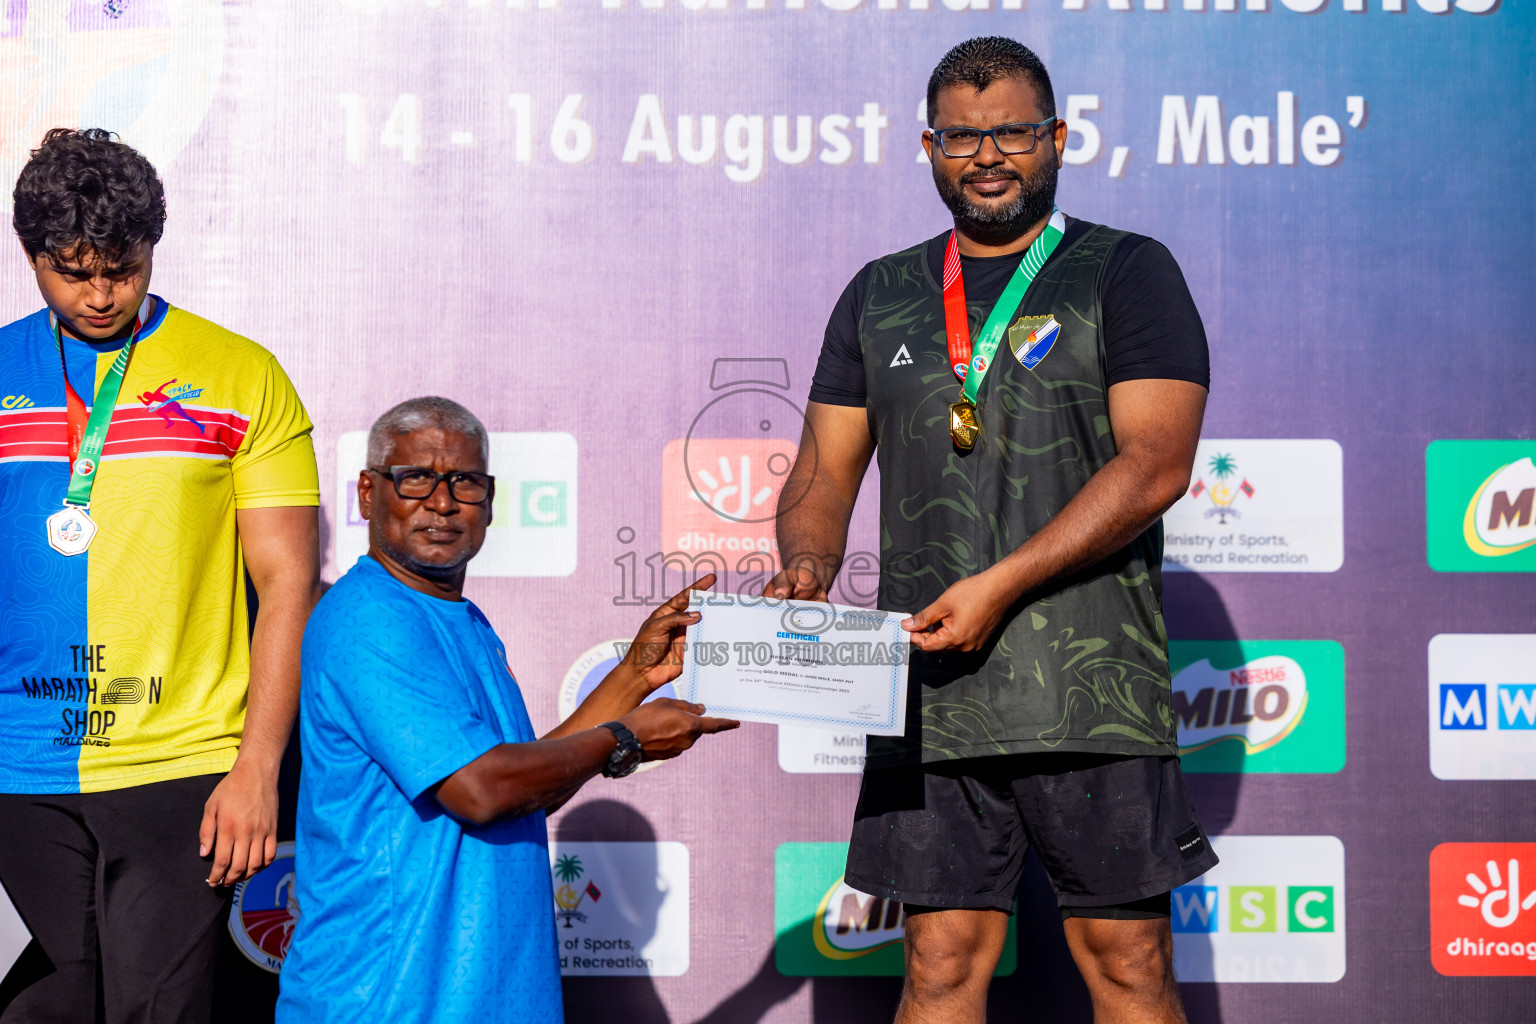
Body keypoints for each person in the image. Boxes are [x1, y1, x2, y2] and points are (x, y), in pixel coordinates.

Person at [768, 37, 1217, 1024]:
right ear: (929, 147)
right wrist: (805, 566)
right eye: (963, 136)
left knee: (1128, 966)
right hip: (931, 690)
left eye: (1011, 131)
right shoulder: (880, 290)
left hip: (1090, 687)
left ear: (1056, 139)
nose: (987, 155)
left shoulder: (1126, 271)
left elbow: (1155, 466)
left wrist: (1001, 586)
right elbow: (820, 472)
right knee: (937, 965)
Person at [277, 397, 738, 1024]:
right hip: (388, 1002)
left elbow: (525, 783)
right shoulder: (369, 618)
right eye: (416, 478)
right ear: (367, 493)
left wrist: (634, 675)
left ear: (490, 501)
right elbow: (481, 789)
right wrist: (622, 738)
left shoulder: (463, 619)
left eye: (465, 482)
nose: (442, 503)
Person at [0, 129, 320, 1022]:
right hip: (15, 769)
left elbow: (288, 584)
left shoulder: (241, 375)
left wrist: (258, 766)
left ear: (153, 248)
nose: (102, 295)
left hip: (182, 765)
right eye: (73, 271)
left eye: (124, 268)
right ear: (31, 256)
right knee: (37, 1012)